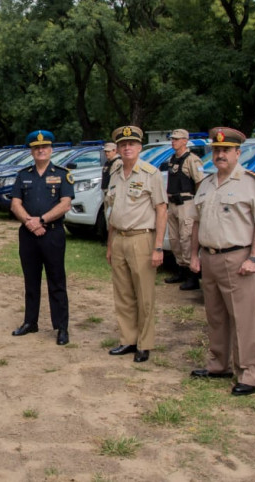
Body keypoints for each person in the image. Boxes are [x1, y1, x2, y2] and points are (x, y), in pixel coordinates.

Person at [189, 127, 255, 396]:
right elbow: (196, 222)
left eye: (226, 150)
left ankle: (251, 372)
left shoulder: (251, 182)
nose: (220, 154)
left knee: (244, 318)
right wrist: (194, 255)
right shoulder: (206, 183)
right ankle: (218, 364)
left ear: (238, 153)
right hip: (210, 257)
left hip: (238, 258)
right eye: (216, 150)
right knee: (215, 316)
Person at [104, 126, 167, 363]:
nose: (127, 148)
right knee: (123, 294)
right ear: (118, 149)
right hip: (119, 238)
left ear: (140, 147)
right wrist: (110, 245)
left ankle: (144, 343)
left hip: (142, 238)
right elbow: (112, 211)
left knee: (144, 294)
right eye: (123, 145)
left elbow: (162, 210)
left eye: (131, 144)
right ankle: (128, 339)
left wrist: (158, 246)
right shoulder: (115, 172)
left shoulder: (151, 174)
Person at [10, 130, 74, 346]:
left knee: (56, 280)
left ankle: (61, 327)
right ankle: (30, 322)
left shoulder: (62, 173)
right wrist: (29, 222)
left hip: (52, 234)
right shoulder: (23, 174)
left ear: (51, 149)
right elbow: (15, 203)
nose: (40, 150)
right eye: (36, 148)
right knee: (31, 280)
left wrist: (42, 221)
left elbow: (65, 203)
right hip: (28, 235)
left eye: (44, 147)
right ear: (31, 151)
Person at [163, 129, 206, 290]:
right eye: (172, 139)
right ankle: (180, 270)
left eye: (176, 139)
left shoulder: (192, 160)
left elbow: (200, 182)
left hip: (186, 203)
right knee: (175, 239)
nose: (173, 141)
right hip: (173, 203)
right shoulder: (173, 159)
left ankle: (192, 276)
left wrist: (198, 203)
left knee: (186, 238)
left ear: (185, 141)